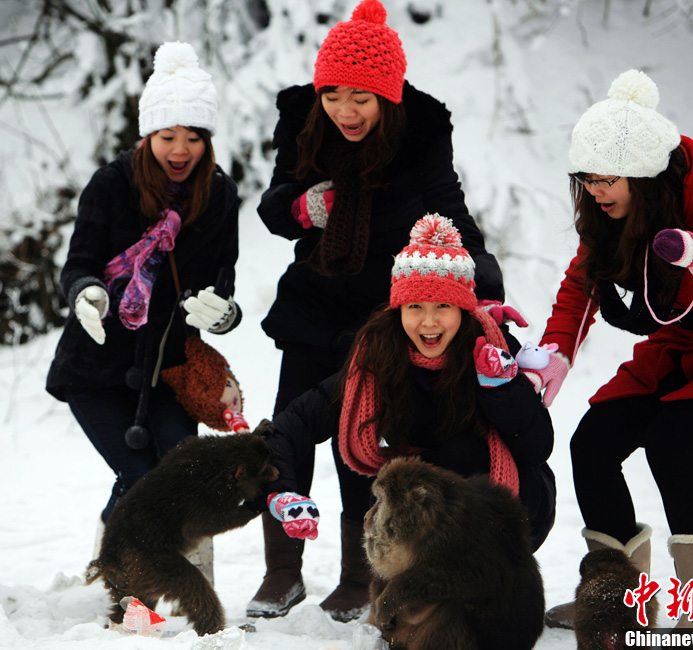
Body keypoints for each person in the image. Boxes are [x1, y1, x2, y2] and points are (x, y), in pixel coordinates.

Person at [252, 0, 505, 621]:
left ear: (387, 98)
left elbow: (450, 211)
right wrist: (301, 208)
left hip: (379, 316)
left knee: (358, 438)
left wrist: (483, 284)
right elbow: (273, 206)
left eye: (360, 99)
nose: (345, 111)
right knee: (289, 429)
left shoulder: (420, 136)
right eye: (333, 95)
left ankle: (357, 575)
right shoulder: (304, 121)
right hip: (312, 303)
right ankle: (281, 571)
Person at [528, 69, 693, 631]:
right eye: (586, 178)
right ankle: (618, 603)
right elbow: (584, 280)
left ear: (643, 175)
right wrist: (557, 351)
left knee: (671, 442)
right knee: (592, 443)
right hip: (680, 342)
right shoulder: (607, 210)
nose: (595, 190)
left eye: (606, 179)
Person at [261, 215, 556, 622]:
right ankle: (422, 593)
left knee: (457, 452)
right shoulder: (378, 356)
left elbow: (538, 447)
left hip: (510, 504)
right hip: (423, 506)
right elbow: (294, 422)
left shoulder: (490, 346)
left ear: (463, 308)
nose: (429, 322)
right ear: (399, 308)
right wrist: (283, 491)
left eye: (443, 307)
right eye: (415, 306)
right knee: (400, 476)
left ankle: (476, 588)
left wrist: (501, 389)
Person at [46, 42, 243, 579]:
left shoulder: (220, 196)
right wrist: (86, 291)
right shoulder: (111, 185)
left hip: (169, 370)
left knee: (185, 477)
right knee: (141, 477)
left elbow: (224, 283)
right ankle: (122, 575)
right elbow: (78, 264)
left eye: (193, 137)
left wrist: (222, 314)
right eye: (167, 136)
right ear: (148, 134)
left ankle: (181, 577)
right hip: (96, 368)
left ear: (207, 140)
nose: (180, 150)